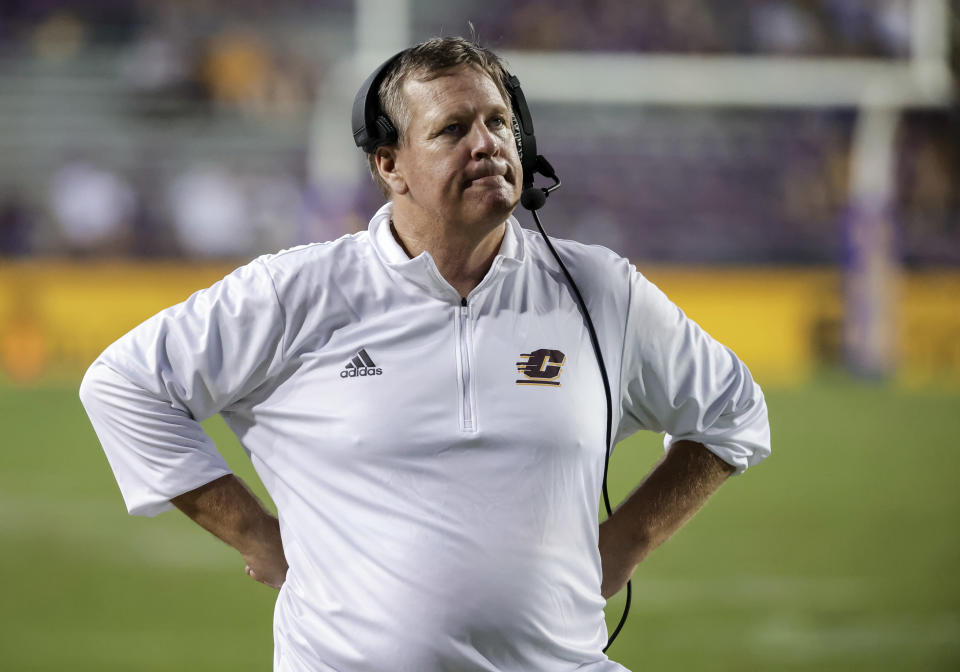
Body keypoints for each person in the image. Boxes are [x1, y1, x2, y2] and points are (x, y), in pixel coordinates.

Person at [80, 37, 770, 672]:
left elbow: (731, 411)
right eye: (452, 129)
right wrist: (257, 536)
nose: (489, 145)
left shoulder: (598, 288)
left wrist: (623, 547)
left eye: (500, 122)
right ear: (389, 165)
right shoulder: (300, 291)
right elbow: (124, 384)